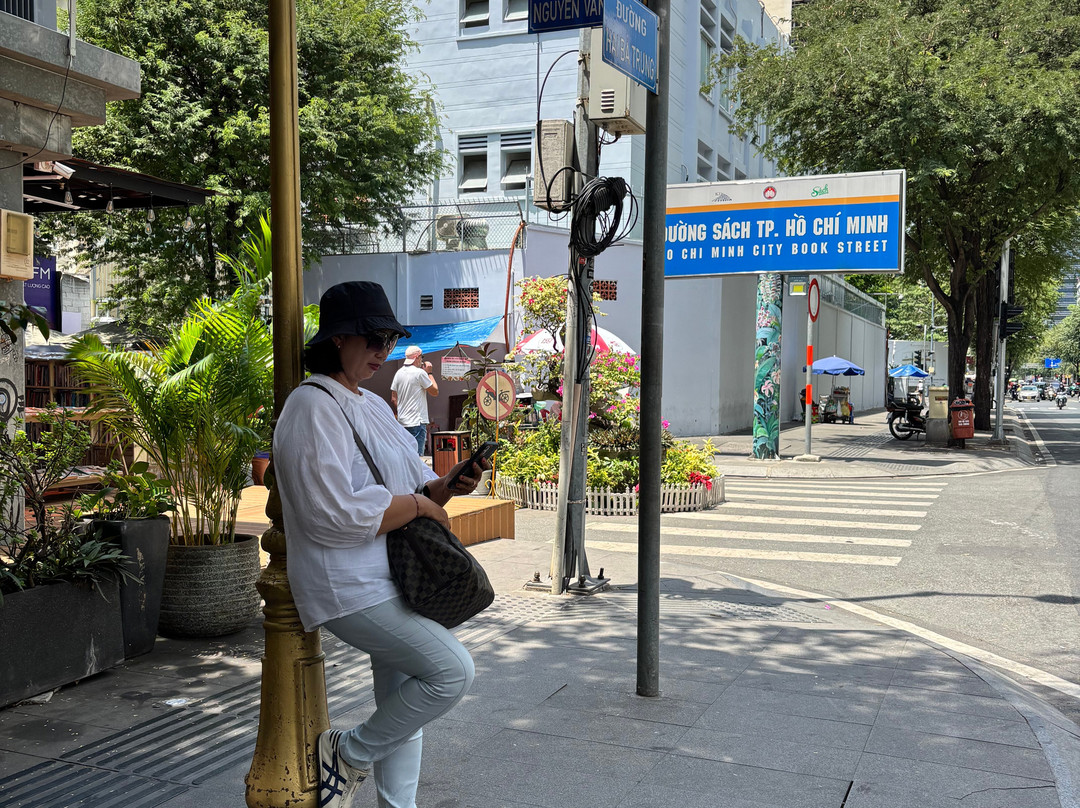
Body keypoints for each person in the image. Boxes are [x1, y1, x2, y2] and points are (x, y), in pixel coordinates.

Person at [272, 281, 489, 808]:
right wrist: (418, 506)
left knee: (402, 704)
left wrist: (444, 486)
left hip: (392, 578)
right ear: (338, 338)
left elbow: (409, 487)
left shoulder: (369, 403)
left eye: (389, 338)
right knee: (449, 672)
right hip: (345, 584)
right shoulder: (311, 404)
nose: (381, 350)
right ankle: (348, 753)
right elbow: (330, 513)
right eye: (372, 338)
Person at [391, 346, 439, 455]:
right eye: (421, 357)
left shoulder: (399, 373)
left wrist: (403, 412)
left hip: (402, 422)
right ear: (417, 357)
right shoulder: (420, 373)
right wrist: (429, 373)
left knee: (405, 456)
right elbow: (435, 392)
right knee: (417, 459)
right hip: (417, 422)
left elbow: (393, 398)